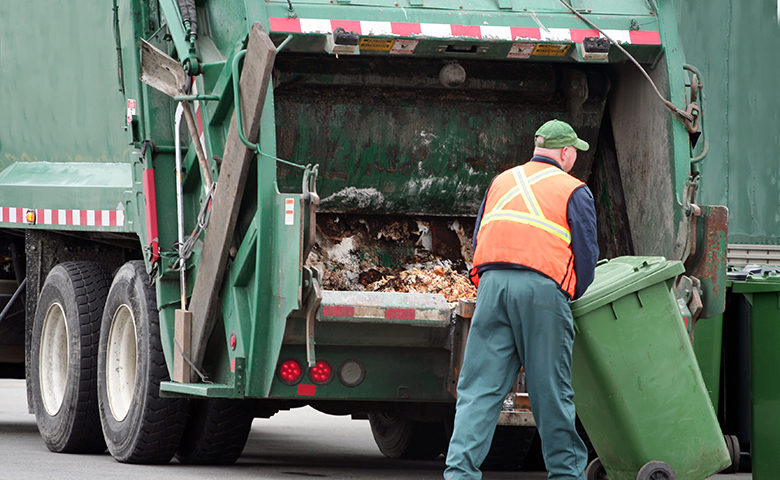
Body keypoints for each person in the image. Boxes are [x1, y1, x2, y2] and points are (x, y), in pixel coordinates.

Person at [444, 119, 599, 480]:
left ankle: (459, 474)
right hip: (542, 292)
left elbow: (480, 236)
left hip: (493, 287)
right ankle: (565, 476)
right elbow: (587, 255)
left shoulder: (502, 181)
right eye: (574, 150)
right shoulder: (573, 189)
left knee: (479, 391)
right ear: (565, 152)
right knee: (551, 393)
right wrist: (570, 292)